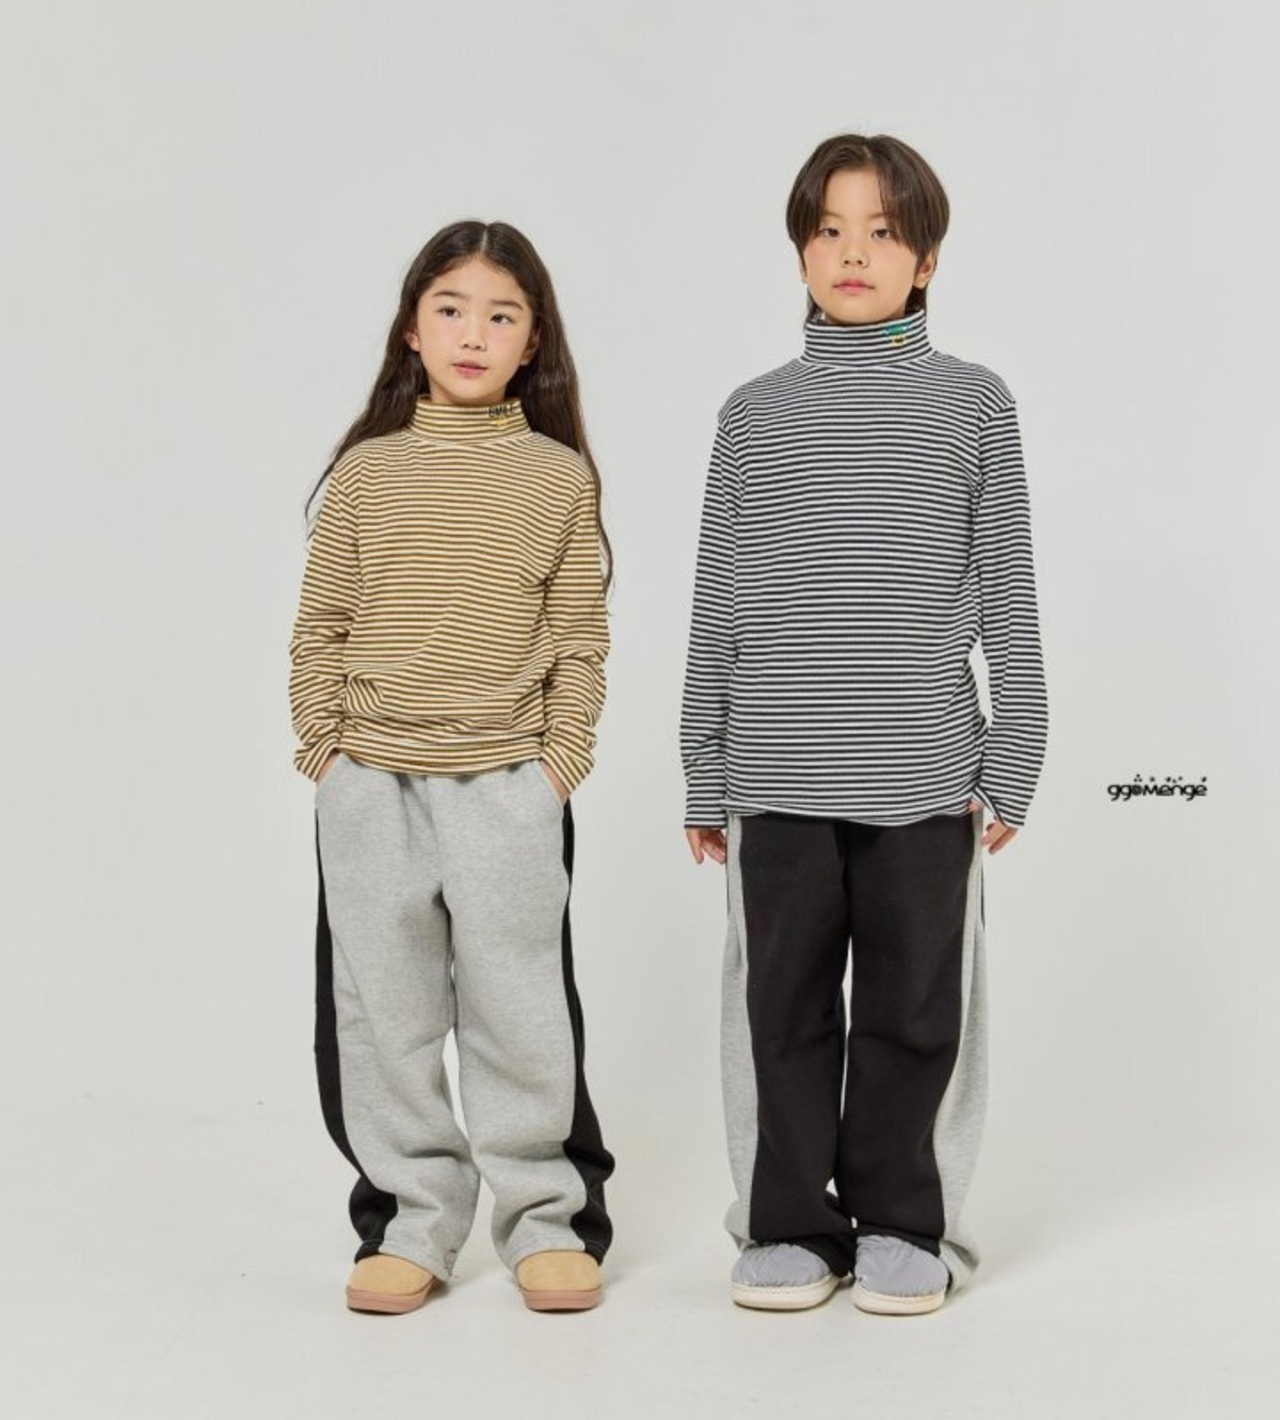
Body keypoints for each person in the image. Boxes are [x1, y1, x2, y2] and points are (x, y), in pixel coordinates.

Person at [680, 134, 1048, 1316]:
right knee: (779, 1013)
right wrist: (701, 767)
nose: (852, 253)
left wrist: (1015, 752)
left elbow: (1006, 591)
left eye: (881, 232)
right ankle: (790, 1224)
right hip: (774, 776)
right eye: (829, 230)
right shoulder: (753, 415)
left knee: (913, 1012)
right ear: (799, 251)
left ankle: (901, 1220)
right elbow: (717, 600)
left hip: (925, 776)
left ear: (924, 259)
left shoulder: (973, 404)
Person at [289, 220, 614, 1315]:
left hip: (507, 782)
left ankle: (545, 1219)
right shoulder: (365, 474)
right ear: (412, 330)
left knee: (520, 1011)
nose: (473, 333)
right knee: (384, 1014)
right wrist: (325, 750)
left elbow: (579, 637)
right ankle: (412, 1220)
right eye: (450, 308)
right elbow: (321, 625)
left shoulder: (556, 478)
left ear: (533, 342)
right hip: (371, 784)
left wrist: (558, 762)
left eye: (501, 314)